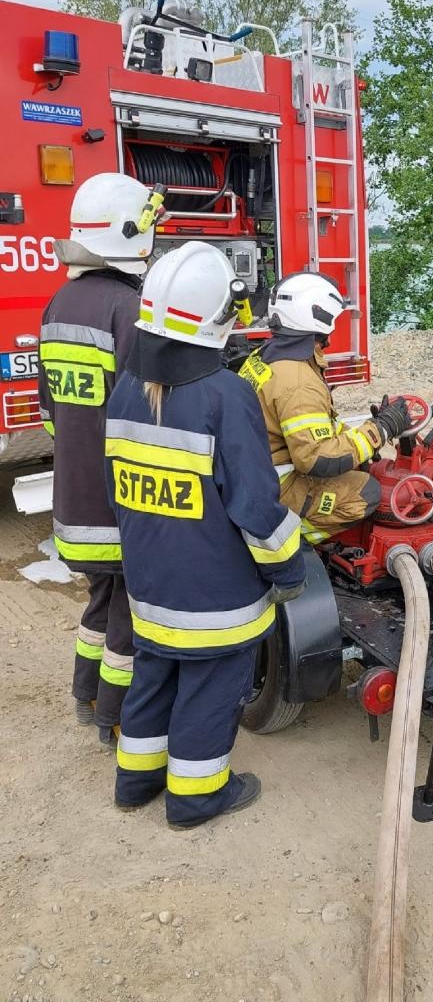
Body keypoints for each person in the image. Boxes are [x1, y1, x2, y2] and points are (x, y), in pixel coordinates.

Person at [107, 241, 306, 828]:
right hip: (216, 596)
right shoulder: (225, 395)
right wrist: (289, 570)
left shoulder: (127, 387)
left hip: (149, 584)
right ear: (218, 316)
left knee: (153, 676)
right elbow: (255, 506)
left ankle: (135, 781)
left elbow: (116, 484)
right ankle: (196, 798)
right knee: (210, 689)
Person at [38, 172, 162, 746]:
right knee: (128, 616)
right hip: (117, 503)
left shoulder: (59, 303)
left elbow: (51, 411)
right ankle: (116, 719)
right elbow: (146, 410)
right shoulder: (127, 308)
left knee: (101, 599)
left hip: (74, 497)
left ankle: (85, 695)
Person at [238, 272, 411, 543]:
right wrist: (381, 430)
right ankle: (290, 541)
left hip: (252, 473)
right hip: (275, 487)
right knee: (366, 492)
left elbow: (313, 427)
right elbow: (317, 459)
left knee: (358, 465)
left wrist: (362, 435)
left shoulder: (265, 356)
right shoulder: (299, 381)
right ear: (320, 317)